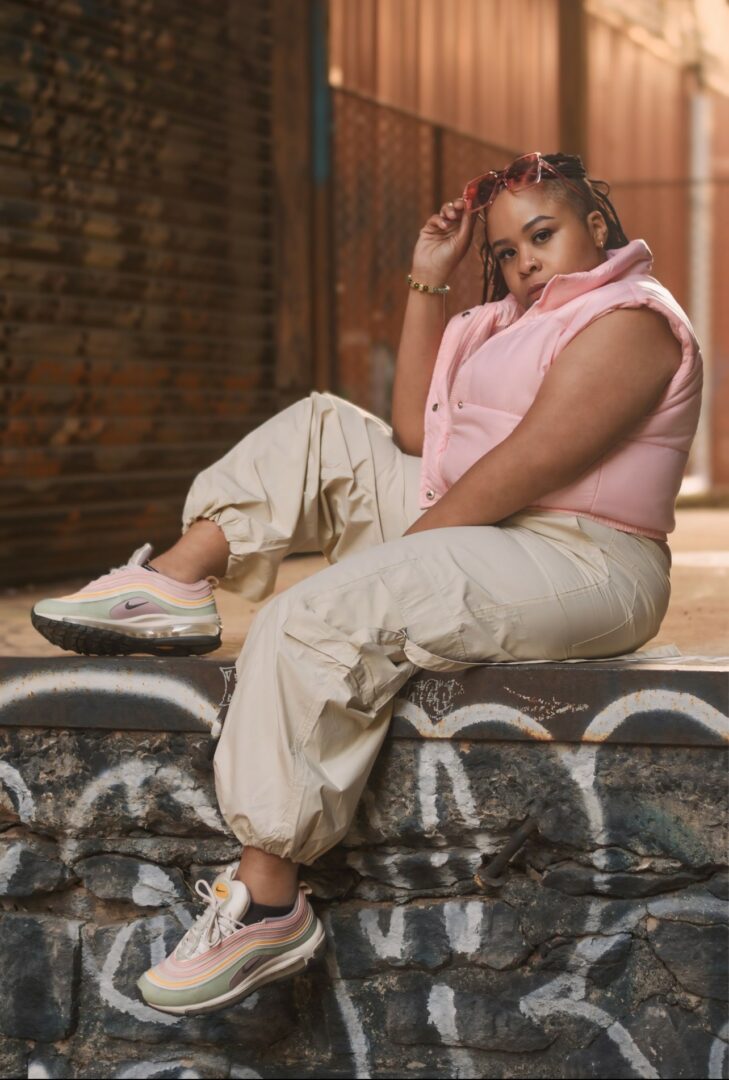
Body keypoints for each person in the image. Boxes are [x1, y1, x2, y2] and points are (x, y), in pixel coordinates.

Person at [31, 152, 702, 1016]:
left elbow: (529, 464)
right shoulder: (506, 321)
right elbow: (417, 431)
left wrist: (391, 560)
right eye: (505, 251)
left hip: (585, 560)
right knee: (325, 427)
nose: (524, 262)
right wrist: (428, 280)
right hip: (487, 526)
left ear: (596, 226)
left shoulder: (631, 320)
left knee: (310, 616)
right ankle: (173, 582)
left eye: (542, 235)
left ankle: (267, 899)